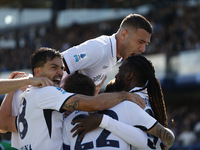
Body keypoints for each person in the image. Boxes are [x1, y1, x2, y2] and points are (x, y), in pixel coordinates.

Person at [0, 47, 144, 150]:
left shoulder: (27, 98)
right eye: (53, 67)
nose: (60, 72)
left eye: (61, 68)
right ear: (37, 71)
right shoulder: (48, 93)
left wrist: (13, 89)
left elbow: (3, 122)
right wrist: (124, 95)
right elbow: (92, 104)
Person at [69, 55, 174, 150]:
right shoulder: (149, 102)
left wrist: (103, 120)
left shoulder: (128, 104)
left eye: (120, 71)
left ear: (129, 76)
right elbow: (168, 138)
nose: (116, 75)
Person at [61, 13, 153, 95]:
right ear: (124, 35)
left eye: (146, 44)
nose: (143, 49)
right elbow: (60, 61)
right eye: (140, 42)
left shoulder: (116, 56)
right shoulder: (99, 48)